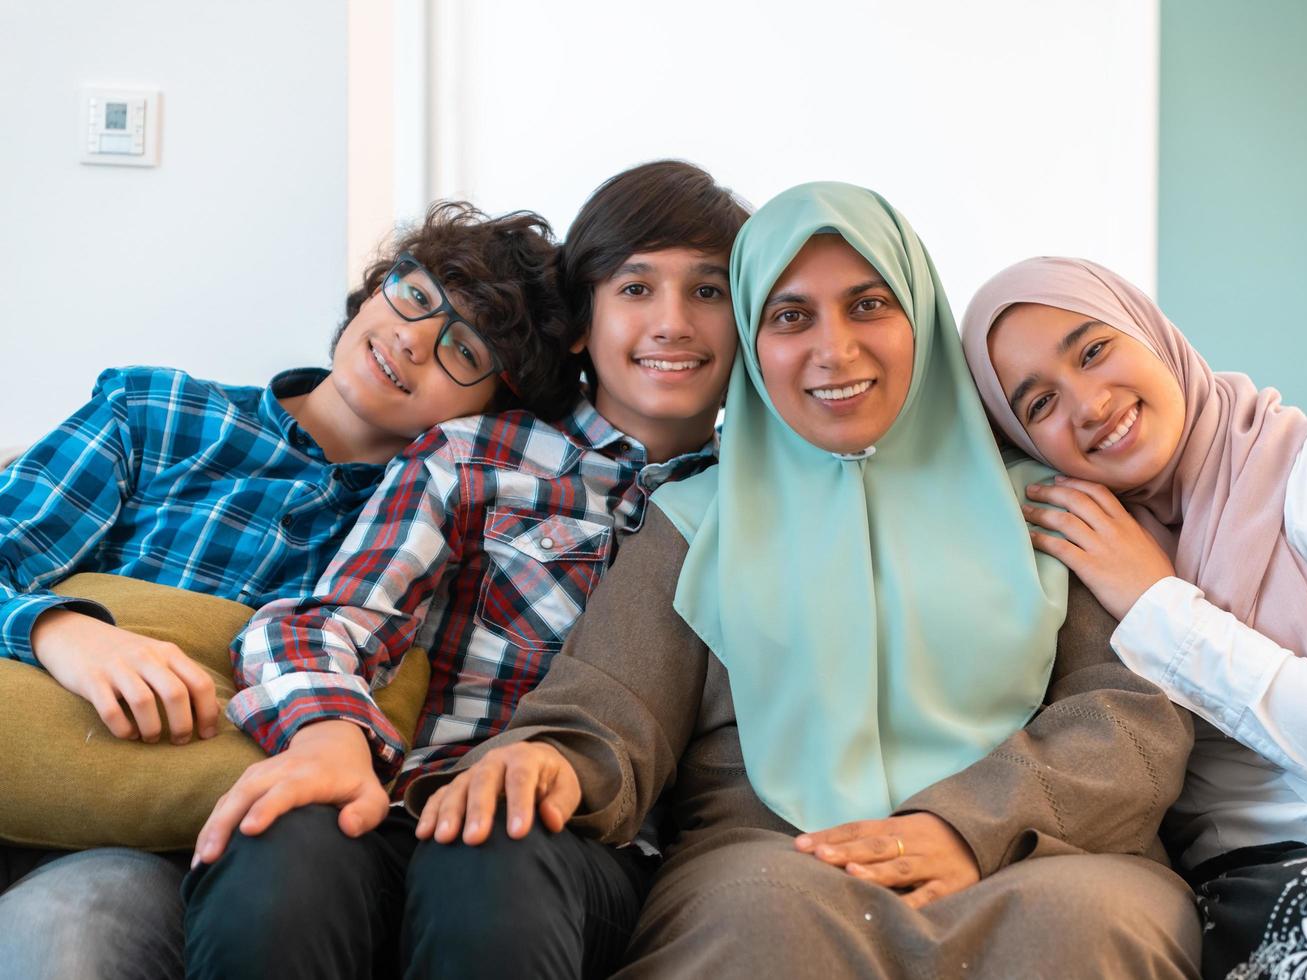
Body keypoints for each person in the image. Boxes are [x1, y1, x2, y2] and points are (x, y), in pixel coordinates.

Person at [408, 183, 1202, 979]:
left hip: (1044, 852)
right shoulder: (692, 521)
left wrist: (967, 825)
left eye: (868, 306)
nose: (836, 350)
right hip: (778, 857)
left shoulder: (1050, 503)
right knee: (757, 918)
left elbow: (1129, 718)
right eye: (791, 317)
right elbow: (611, 704)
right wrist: (550, 758)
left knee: (1085, 926)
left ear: (921, 316)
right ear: (753, 346)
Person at [182, 160, 750, 980]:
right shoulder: (474, 458)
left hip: (582, 851)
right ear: (583, 321)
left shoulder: (760, 504)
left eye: (708, 292)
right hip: (409, 804)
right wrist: (330, 736)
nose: (672, 323)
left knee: (493, 846)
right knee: (288, 831)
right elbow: (322, 625)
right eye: (635, 289)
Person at [0, 202, 574, 980]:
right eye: (414, 295)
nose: (414, 337)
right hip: (26, 754)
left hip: (177, 852)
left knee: (68, 930)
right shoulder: (161, 413)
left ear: (494, 415)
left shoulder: (435, 537)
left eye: (463, 348)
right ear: (375, 291)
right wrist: (67, 632)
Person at [962, 256, 1307, 979]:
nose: (1089, 404)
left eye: (1094, 349)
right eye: (1038, 403)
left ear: (1148, 331)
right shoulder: (1071, 556)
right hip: (1265, 884)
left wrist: (1157, 604)